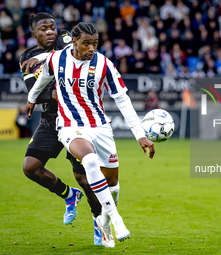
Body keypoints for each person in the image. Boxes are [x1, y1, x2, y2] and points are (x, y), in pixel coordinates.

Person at [26, 22, 155, 248]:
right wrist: (32, 98)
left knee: (113, 185)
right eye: (86, 44)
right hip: (69, 126)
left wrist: (140, 134)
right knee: (90, 160)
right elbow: (43, 78)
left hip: (100, 127)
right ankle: (116, 220)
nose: (91, 48)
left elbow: (122, 99)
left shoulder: (104, 64)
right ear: (74, 42)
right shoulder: (57, 59)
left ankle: (103, 221)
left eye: (95, 43)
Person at [19, 13, 103, 246]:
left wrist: (46, 62)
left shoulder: (65, 39)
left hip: (77, 119)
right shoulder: (26, 57)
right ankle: (68, 194)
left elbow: (72, 56)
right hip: (50, 118)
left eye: (52, 27)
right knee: (31, 168)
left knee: (84, 177)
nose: (50, 32)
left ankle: (99, 221)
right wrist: (52, 91)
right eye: (44, 28)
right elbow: (37, 91)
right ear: (33, 33)